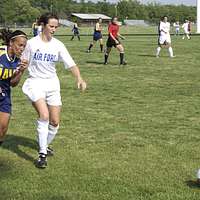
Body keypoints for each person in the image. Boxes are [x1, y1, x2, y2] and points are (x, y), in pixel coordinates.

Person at [21, 13, 87, 169]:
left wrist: (79, 78)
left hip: (52, 85)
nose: (54, 29)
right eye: (51, 26)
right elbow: (22, 63)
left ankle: (44, 144)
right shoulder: (31, 43)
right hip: (35, 83)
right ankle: (42, 155)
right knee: (44, 116)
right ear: (43, 25)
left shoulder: (58, 45)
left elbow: (70, 63)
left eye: (56, 27)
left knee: (55, 122)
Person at [0, 29, 28, 146]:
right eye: (20, 45)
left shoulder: (18, 61)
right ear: (11, 43)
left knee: (3, 128)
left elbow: (13, 83)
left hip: (4, 95)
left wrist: (21, 71)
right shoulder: (1, 52)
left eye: (24, 46)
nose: (22, 49)